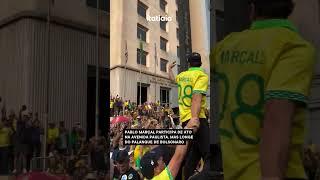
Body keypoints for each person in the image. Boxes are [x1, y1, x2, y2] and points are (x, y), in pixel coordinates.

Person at [209, 0, 316, 179]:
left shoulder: (224, 47)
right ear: (290, 8)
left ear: (252, 10)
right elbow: (276, 119)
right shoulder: (295, 47)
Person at [168, 52, 210, 179]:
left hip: (186, 121)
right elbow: (196, 98)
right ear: (200, 63)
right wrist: (195, 119)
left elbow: (172, 79)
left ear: (189, 64)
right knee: (211, 157)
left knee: (191, 157)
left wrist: (169, 69)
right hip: (197, 119)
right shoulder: (201, 75)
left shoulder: (182, 75)